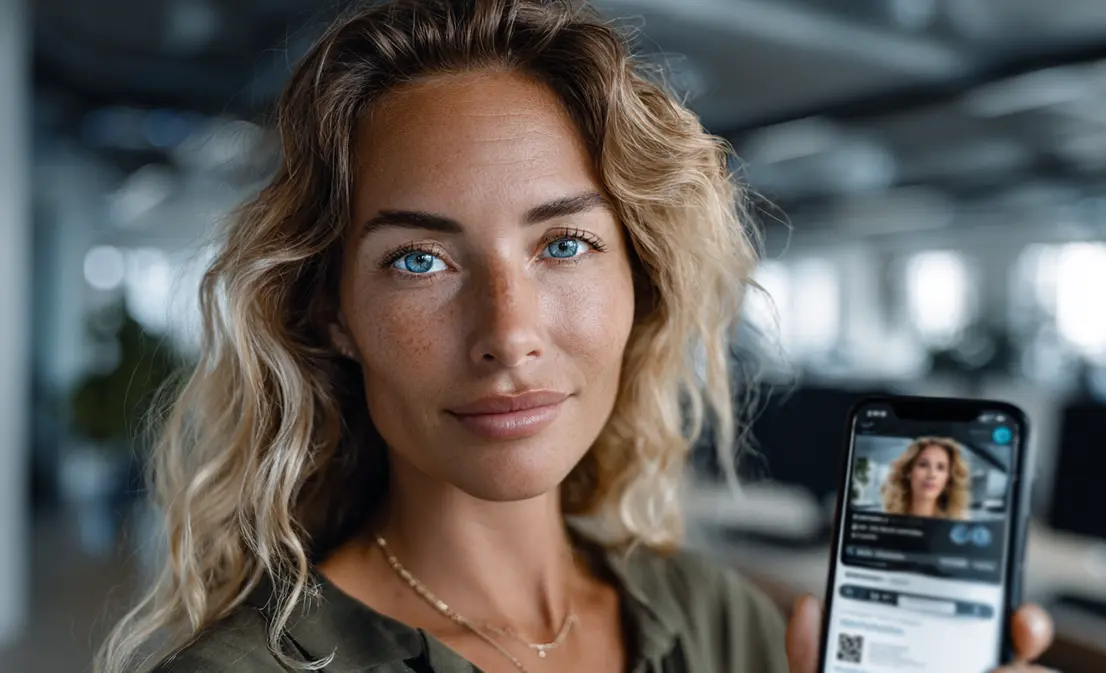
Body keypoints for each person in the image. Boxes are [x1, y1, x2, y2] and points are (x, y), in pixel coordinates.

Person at [98, 1, 1054, 672]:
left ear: (639, 279)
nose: (509, 334)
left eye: (563, 243)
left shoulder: (722, 622)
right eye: (420, 260)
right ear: (330, 313)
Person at [883, 437, 972, 520]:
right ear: (909, 471)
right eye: (923, 465)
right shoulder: (888, 520)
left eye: (940, 468)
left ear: (948, 479)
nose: (932, 474)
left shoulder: (955, 525)